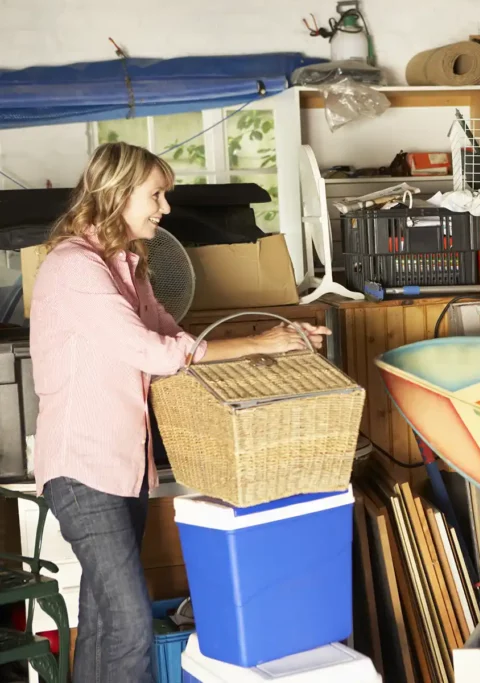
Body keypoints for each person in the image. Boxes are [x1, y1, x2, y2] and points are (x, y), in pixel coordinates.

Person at [29, 142, 332, 683]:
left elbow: (177, 337)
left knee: (103, 623)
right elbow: (157, 354)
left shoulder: (129, 266)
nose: (165, 208)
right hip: (82, 468)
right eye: (156, 195)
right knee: (127, 624)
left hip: (123, 468)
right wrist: (262, 338)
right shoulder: (74, 267)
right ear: (118, 194)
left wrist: (275, 342)